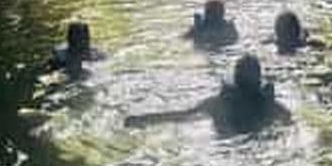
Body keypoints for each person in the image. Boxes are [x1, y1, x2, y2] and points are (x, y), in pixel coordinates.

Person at [125, 53, 291, 135]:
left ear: (235, 78)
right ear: (258, 80)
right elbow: (289, 122)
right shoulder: (269, 105)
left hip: (225, 148)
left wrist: (141, 119)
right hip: (257, 147)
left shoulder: (218, 103)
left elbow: (180, 116)